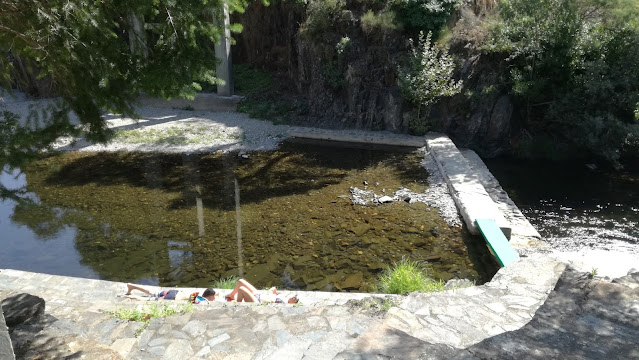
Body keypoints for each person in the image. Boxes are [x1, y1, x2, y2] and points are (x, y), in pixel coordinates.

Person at [122, 283, 218, 303]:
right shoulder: (202, 300)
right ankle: (131, 297)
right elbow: (192, 299)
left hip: (174, 291)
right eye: (213, 297)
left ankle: (131, 287)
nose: (214, 298)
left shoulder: (199, 293)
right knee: (148, 299)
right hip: (173, 297)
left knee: (152, 293)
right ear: (209, 296)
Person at [225, 279, 299, 304]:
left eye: (295, 300)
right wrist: (272, 291)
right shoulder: (284, 296)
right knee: (241, 281)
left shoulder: (284, 305)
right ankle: (232, 295)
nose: (293, 298)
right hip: (259, 294)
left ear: (293, 303)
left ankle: (238, 306)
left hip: (258, 302)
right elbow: (273, 289)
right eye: (294, 297)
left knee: (241, 289)